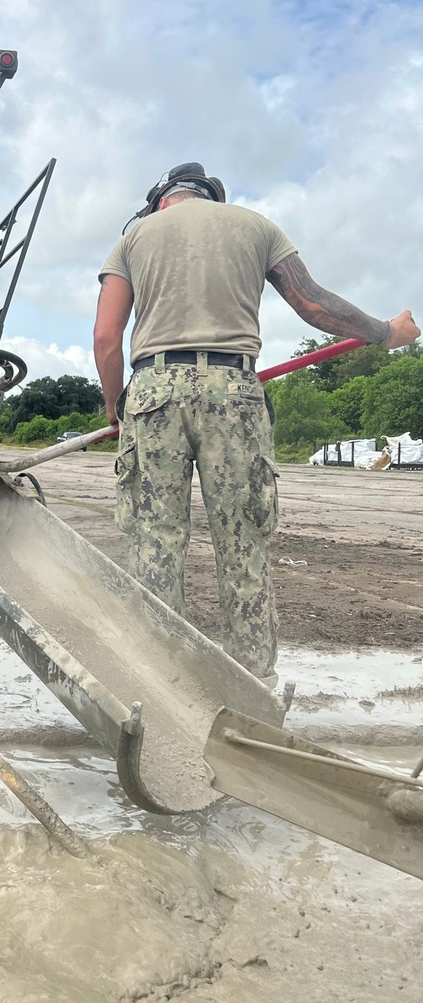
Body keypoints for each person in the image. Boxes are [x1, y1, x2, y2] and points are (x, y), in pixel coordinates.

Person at [93, 162, 419, 686]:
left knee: (155, 548)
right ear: (212, 198)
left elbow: (108, 338)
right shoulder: (255, 226)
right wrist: (385, 332)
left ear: (161, 200)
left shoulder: (134, 237)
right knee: (244, 550)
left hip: (153, 392)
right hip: (234, 390)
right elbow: (312, 303)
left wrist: (115, 408)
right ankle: (251, 693)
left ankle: (158, 688)